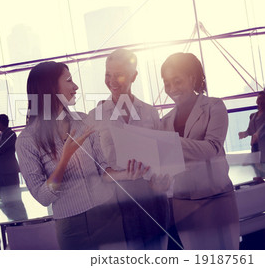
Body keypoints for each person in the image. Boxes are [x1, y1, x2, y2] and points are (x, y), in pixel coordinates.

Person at [16, 61, 147, 250]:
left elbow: (103, 170)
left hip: (108, 215)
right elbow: (43, 197)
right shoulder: (27, 140)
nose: (75, 86)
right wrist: (65, 159)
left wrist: (127, 174)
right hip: (72, 227)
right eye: (69, 80)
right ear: (50, 88)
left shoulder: (83, 120)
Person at [87, 49, 169, 250]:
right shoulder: (95, 116)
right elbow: (93, 166)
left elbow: (165, 159)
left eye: (119, 74)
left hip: (152, 198)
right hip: (115, 202)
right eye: (108, 74)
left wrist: (165, 180)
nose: (112, 81)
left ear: (134, 76)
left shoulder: (149, 112)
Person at [160, 52, 239, 250]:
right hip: (183, 202)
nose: (172, 89)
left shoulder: (214, 106)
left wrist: (169, 142)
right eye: (167, 83)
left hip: (216, 199)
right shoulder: (165, 121)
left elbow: (212, 148)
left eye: (177, 81)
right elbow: (167, 163)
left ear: (192, 78)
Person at [0, 114, 20, 187]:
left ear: (1, 123)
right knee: (4, 193)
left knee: (13, 192)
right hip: (1, 170)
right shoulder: (0, 136)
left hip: (9, 170)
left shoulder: (11, 134)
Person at [239, 90, 265, 160]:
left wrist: (258, 134)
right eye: (259, 99)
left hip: (263, 145)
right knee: (257, 168)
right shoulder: (253, 115)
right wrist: (244, 133)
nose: (260, 101)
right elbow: (250, 131)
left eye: (263, 99)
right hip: (255, 146)